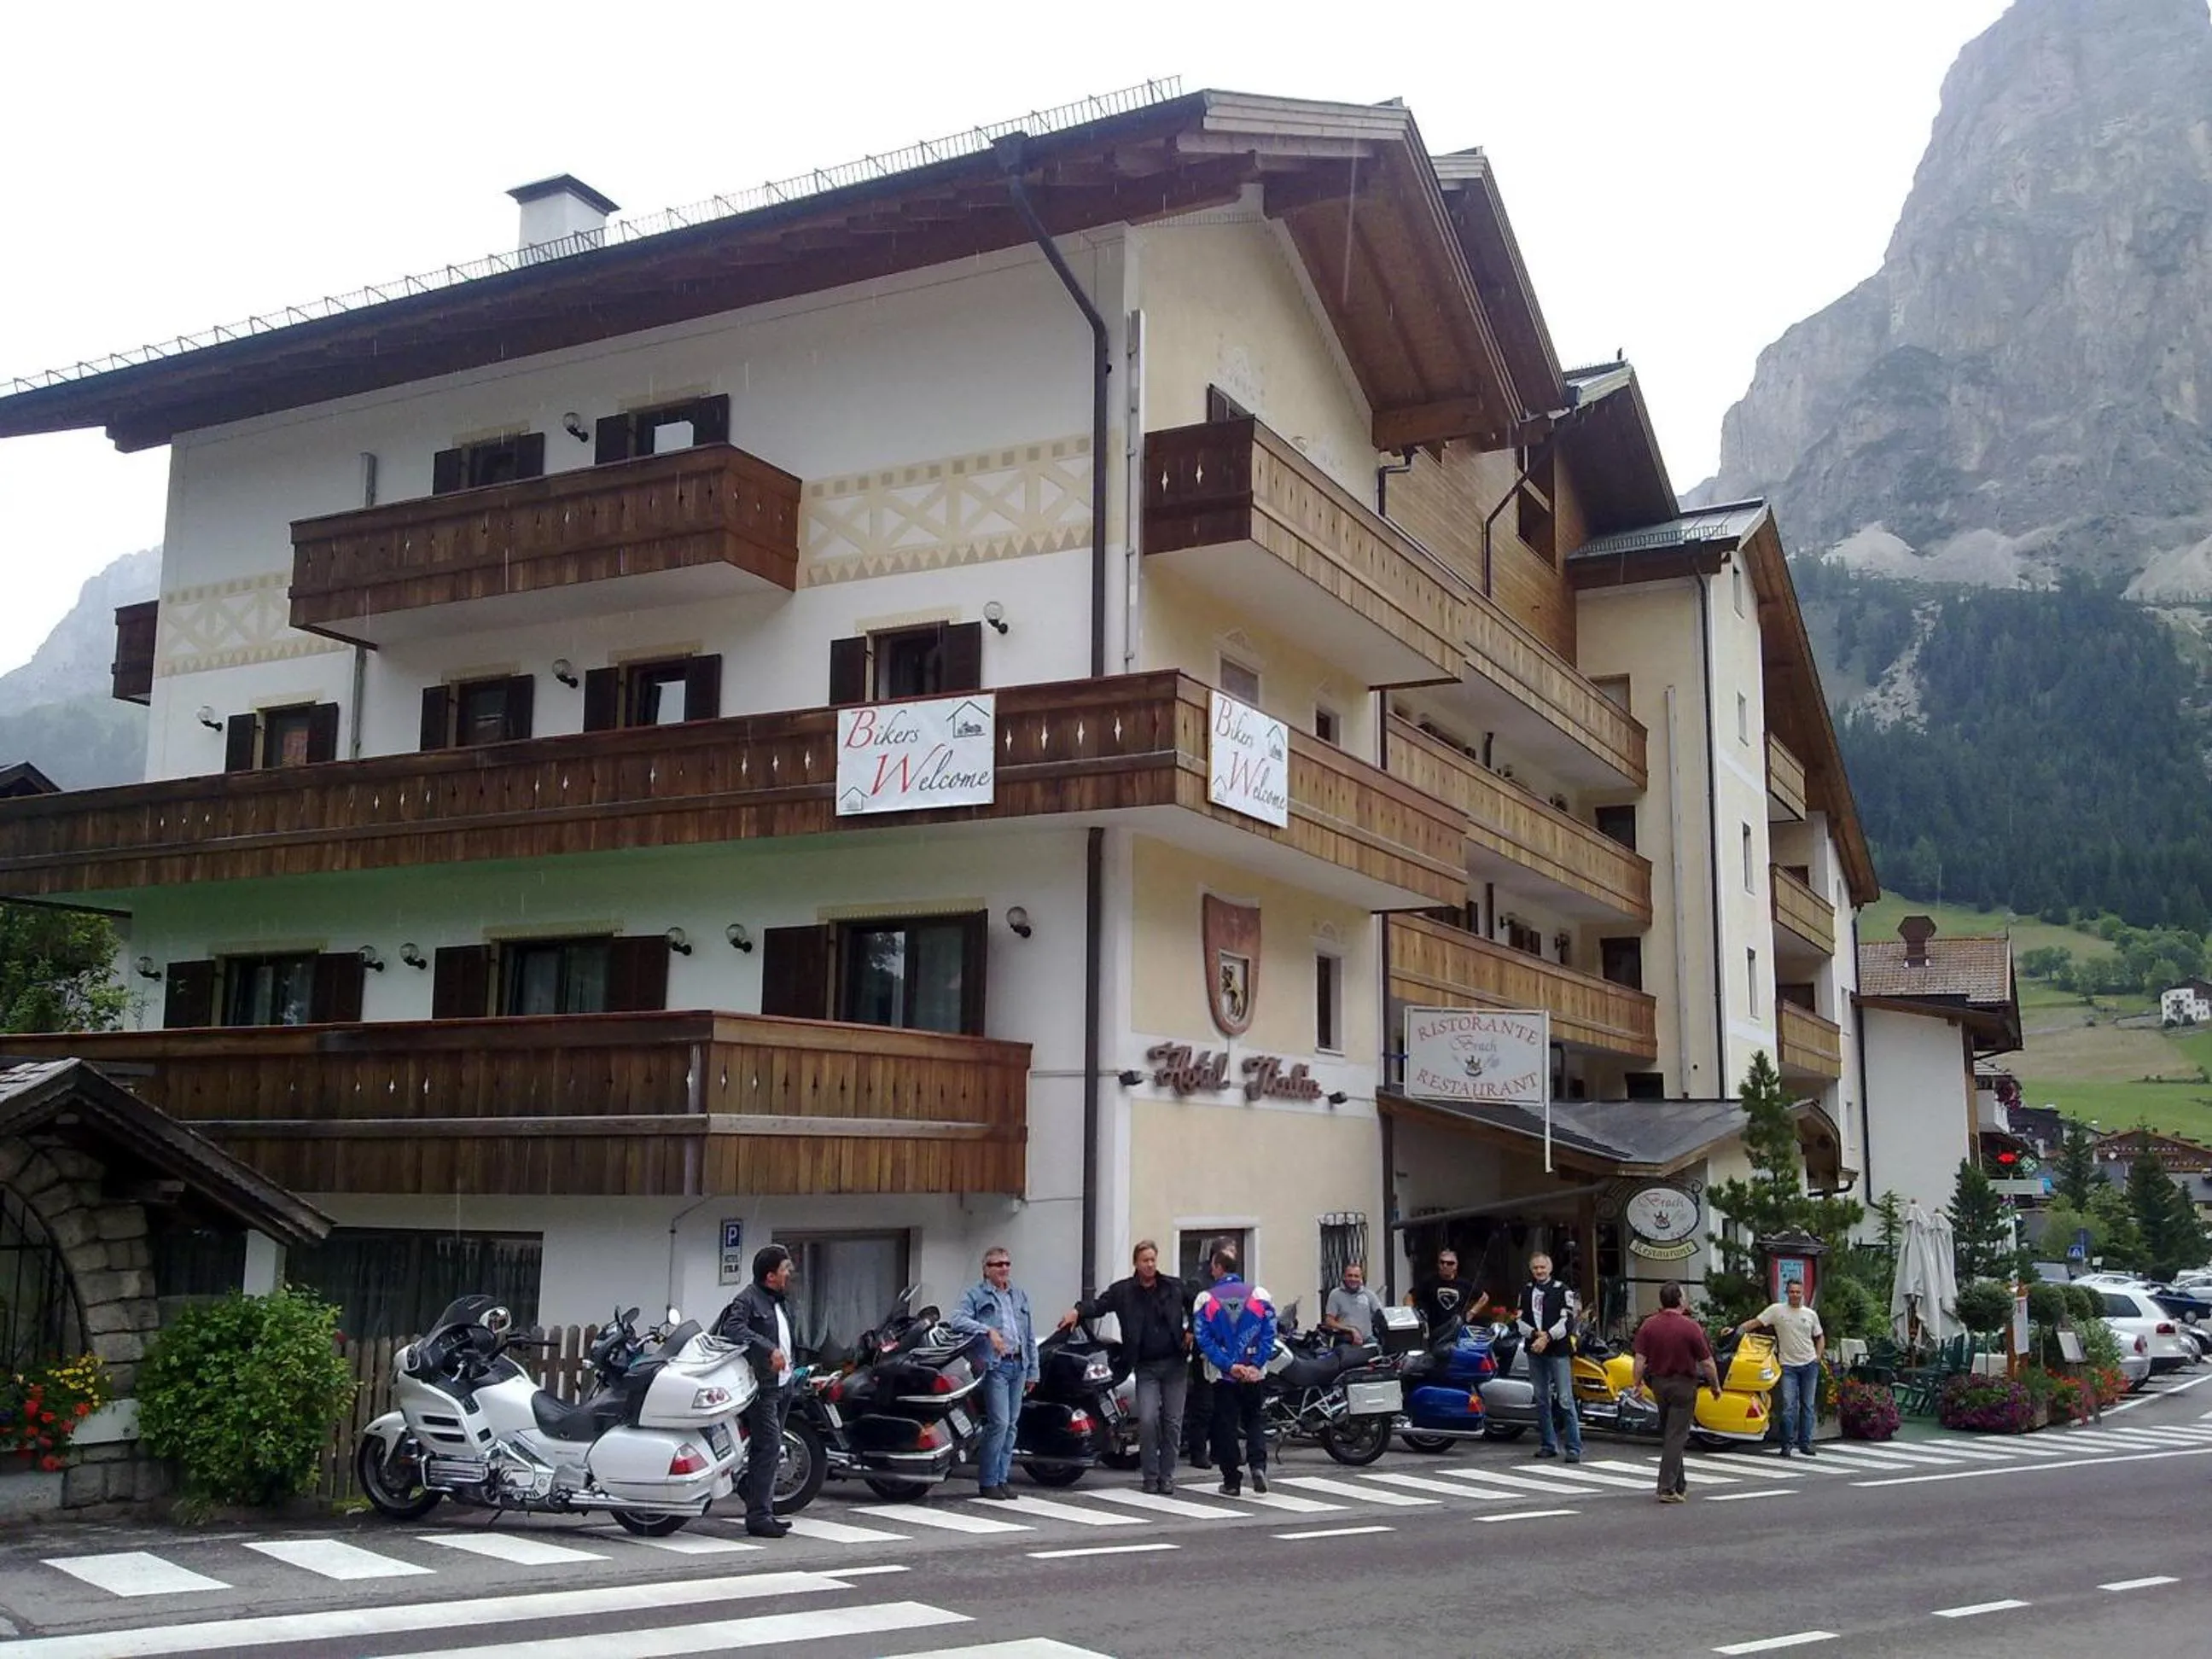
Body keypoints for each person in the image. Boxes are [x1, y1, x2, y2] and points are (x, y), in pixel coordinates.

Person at [1058, 1239, 1190, 1494]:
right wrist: (1077, 1311)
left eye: (1153, 1260)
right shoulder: (1124, 1291)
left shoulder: (1174, 1287)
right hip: (1146, 1366)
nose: (1150, 1265)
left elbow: (1199, 1304)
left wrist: (1192, 1331)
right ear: (1136, 1263)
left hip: (1175, 1364)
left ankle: (1167, 1476)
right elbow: (1099, 1306)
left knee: (1173, 1422)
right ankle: (1150, 1476)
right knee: (1149, 1420)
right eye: (1145, 1261)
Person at [713, 1244, 797, 1538]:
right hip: (762, 1388)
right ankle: (759, 1516)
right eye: (786, 1270)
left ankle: (756, 1497)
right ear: (770, 1275)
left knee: (770, 1451)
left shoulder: (779, 1301)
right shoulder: (748, 1300)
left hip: (783, 1384)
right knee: (768, 1448)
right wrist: (767, 1348)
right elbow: (733, 1329)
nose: (791, 1274)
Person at [951, 1245, 1038, 1499]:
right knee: (998, 1423)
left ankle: (1002, 1479)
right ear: (986, 1269)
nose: (1004, 1269)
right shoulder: (976, 1295)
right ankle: (988, 1480)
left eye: (1007, 1264)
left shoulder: (1019, 1295)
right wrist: (987, 1331)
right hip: (995, 1366)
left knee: (1011, 1426)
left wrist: (1033, 1370)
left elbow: (1029, 1335)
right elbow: (957, 1320)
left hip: (1018, 1364)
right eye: (998, 1265)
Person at [1191, 1244, 1276, 1498]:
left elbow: (1203, 1340)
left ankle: (1232, 1480)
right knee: (1254, 1419)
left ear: (1218, 1268)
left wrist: (1229, 1365)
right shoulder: (1259, 1294)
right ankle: (1258, 1465)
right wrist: (1255, 1364)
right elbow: (1269, 1333)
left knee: (1226, 1425)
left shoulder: (1206, 1299)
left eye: (1212, 1266)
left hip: (1224, 1375)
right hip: (1253, 1373)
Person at [1631, 1281, 1722, 1504]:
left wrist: (1637, 1384)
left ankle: (1679, 1484)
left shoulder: (1649, 1325)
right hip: (1683, 1383)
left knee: (1671, 1432)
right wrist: (1715, 1385)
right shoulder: (1690, 1327)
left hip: (1659, 1384)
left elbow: (1640, 1360)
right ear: (1680, 1299)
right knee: (1677, 1436)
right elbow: (1707, 1361)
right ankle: (1666, 1488)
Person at [1738, 1278, 1825, 1457]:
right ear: (1787, 1293)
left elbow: (1820, 1336)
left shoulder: (1810, 1314)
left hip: (1809, 1364)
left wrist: (1818, 1356)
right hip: (1788, 1366)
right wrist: (1736, 1330)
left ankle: (1805, 1443)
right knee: (1788, 1406)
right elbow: (1756, 1322)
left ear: (1803, 1293)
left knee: (1807, 1406)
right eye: (1792, 1291)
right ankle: (1787, 1445)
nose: (1795, 1295)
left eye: (1798, 1292)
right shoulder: (1777, 1310)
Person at [1516, 1252, 1582, 1464]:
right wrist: (1535, 1335)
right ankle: (1548, 1444)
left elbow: (1567, 1321)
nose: (1539, 1271)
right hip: (1534, 1350)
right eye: (1535, 1268)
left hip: (1558, 1351)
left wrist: (1547, 1337)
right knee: (1541, 1399)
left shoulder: (1562, 1290)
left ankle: (1573, 1447)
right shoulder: (1526, 1291)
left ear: (1550, 1268)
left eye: (1542, 1267)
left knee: (1565, 1399)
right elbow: (1519, 1321)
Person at [1406, 1248, 1489, 1335]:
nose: (1445, 1266)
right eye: (1442, 1262)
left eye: (1450, 1263)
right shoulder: (1429, 1281)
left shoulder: (1464, 1284)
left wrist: (1471, 1313)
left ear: (1456, 1266)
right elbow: (1409, 1297)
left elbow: (1484, 1297)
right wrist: (1413, 1318)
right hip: (1435, 1330)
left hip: (1457, 1329)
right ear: (1438, 1264)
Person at [1322, 1261, 1385, 1344]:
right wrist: (1352, 1330)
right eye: (1350, 1275)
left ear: (1361, 1278)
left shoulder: (1369, 1295)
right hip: (1345, 1340)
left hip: (1366, 1339)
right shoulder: (1336, 1294)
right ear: (1344, 1277)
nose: (1353, 1279)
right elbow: (1329, 1321)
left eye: (1356, 1276)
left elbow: (1381, 1314)